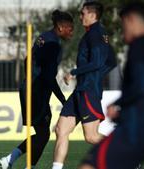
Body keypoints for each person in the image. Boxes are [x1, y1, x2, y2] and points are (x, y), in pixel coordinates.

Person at [79, 2, 144, 169]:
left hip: (132, 131)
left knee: (88, 166)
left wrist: (119, 104)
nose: (122, 30)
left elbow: (140, 85)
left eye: (123, 24)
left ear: (131, 20)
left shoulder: (139, 47)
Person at [0, 10, 74, 169]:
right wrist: (62, 99)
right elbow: (48, 77)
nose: (72, 33)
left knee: (42, 134)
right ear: (60, 27)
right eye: (70, 28)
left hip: (29, 90)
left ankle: (11, 160)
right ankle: (14, 161)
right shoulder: (53, 45)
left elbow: (27, 60)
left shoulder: (43, 37)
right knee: (43, 134)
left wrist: (29, 80)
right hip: (37, 93)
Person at [51, 1, 116, 169]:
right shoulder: (95, 34)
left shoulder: (95, 34)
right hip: (81, 90)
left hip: (88, 91)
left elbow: (97, 61)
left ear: (92, 15)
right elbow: (111, 61)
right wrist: (96, 75)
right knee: (61, 130)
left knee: (92, 137)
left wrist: (74, 73)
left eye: (83, 13)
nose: (80, 17)